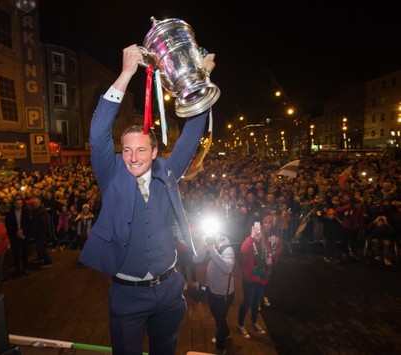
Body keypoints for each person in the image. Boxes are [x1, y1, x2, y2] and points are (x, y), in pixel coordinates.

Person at [78, 44, 216, 354]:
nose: (133, 157)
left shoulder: (168, 170)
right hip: (128, 295)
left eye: (141, 150)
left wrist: (200, 77)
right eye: (126, 149)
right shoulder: (111, 173)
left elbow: (193, 131)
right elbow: (99, 132)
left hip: (169, 290)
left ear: (154, 153)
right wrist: (127, 73)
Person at [193, 227, 235, 355]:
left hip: (224, 294)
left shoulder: (227, 248)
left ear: (220, 234)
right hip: (212, 289)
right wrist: (201, 245)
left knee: (220, 319)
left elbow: (227, 268)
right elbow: (196, 259)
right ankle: (227, 334)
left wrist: (212, 251)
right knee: (217, 316)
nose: (210, 234)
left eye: (213, 232)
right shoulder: (210, 244)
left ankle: (221, 347)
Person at [236, 221, 272, 339]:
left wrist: (270, 260)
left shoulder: (265, 241)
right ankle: (240, 324)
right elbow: (244, 250)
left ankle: (254, 322)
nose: (258, 234)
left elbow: (269, 254)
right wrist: (251, 237)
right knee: (247, 302)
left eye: (259, 231)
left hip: (261, 278)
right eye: (256, 231)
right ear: (252, 231)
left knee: (256, 302)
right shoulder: (249, 241)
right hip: (250, 278)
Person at [6, 196, 32, 276]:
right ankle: (17, 269)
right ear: (14, 204)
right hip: (15, 235)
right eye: (17, 203)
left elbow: (28, 223)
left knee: (25, 252)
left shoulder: (26, 212)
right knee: (16, 253)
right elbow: (8, 225)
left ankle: (25, 268)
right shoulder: (9, 213)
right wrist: (16, 231)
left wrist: (22, 230)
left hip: (24, 234)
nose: (19, 205)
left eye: (20, 203)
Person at [261, 215, 283, 308]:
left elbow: (280, 247)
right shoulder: (259, 232)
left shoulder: (276, 235)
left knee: (268, 279)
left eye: (269, 223)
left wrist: (273, 253)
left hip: (271, 261)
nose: (267, 225)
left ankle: (265, 295)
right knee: (260, 278)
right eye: (265, 223)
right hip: (261, 260)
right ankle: (257, 299)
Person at [29, 195, 52, 268]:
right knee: (38, 246)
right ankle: (40, 257)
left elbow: (44, 224)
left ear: (40, 203)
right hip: (37, 232)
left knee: (41, 247)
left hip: (41, 233)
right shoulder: (35, 210)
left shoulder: (42, 212)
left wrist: (40, 232)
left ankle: (47, 261)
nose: (35, 204)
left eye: (37, 203)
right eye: (34, 203)